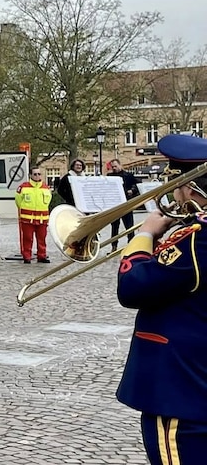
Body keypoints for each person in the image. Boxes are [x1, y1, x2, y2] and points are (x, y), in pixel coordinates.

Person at [115, 134, 207, 463]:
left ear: (190, 188)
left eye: (176, 184)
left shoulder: (197, 240)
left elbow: (133, 287)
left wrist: (144, 235)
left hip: (182, 392)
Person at [15, 167, 52, 264]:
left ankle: (42, 256)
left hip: (42, 219)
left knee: (42, 239)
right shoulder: (23, 187)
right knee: (27, 238)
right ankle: (27, 256)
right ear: (30, 175)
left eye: (39, 174)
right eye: (35, 174)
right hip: (27, 219)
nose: (37, 176)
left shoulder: (46, 188)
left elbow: (48, 202)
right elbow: (18, 201)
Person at [107, 159, 141, 249]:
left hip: (126, 204)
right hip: (115, 205)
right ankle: (114, 246)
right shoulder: (109, 176)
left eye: (115, 166)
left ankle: (131, 245)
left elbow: (138, 185)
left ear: (120, 165)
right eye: (112, 167)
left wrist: (132, 190)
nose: (114, 168)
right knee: (114, 227)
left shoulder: (128, 175)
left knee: (129, 226)